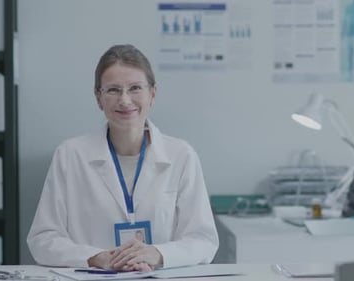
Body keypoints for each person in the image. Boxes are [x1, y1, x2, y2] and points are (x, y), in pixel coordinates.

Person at [27, 44, 219, 272]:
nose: (125, 100)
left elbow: (203, 240)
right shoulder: (70, 155)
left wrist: (157, 253)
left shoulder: (181, 155)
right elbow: (43, 239)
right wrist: (96, 257)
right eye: (113, 90)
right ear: (98, 97)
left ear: (153, 94)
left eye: (135, 88)